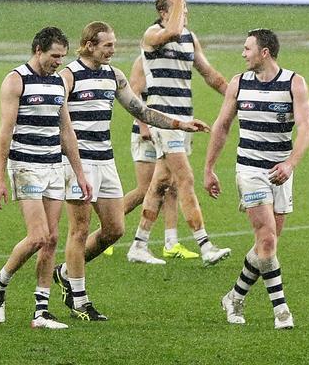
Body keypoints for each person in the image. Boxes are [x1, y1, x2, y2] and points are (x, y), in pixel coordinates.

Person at [52, 23, 207, 321]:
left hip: (105, 161)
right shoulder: (68, 76)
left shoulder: (114, 76)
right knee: (80, 229)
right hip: (76, 164)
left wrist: (179, 124)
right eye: (107, 45)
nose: (114, 49)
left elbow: (141, 111)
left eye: (114, 43)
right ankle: (80, 300)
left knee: (114, 230)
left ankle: (65, 272)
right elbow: (54, 117)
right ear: (89, 45)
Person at [204, 29, 309, 329]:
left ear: (264, 53)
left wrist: (290, 164)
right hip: (249, 171)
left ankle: (234, 297)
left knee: (268, 246)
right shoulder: (239, 84)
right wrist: (209, 167)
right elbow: (222, 126)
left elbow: (306, 129)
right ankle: (282, 311)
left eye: (247, 48)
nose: (243, 53)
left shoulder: (294, 83)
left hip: (280, 173)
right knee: (266, 238)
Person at [0, 27, 91, 330]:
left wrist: (80, 173)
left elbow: (66, 131)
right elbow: (4, 133)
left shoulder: (59, 82)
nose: (59, 62)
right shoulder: (15, 80)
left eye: (62, 56)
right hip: (24, 166)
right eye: (54, 56)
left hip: (53, 166)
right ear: (38, 51)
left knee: (52, 239)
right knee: (37, 236)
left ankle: (41, 312)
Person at [127, 0, 232, 266]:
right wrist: (179, 0)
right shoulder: (152, 35)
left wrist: (235, 96)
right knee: (185, 178)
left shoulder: (189, 38)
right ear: (164, 13)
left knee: (161, 182)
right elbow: (171, 31)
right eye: (179, 10)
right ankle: (205, 244)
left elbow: (209, 74)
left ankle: (138, 244)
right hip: (163, 120)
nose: (185, 16)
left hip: (185, 120)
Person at [120, 54, 183, 259]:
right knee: (145, 189)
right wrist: (143, 126)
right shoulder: (142, 61)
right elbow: (134, 94)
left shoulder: (171, 61)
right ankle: (106, 226)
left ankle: (171, 243)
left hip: (165, 130)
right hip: (146, 132)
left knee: (170, 185)